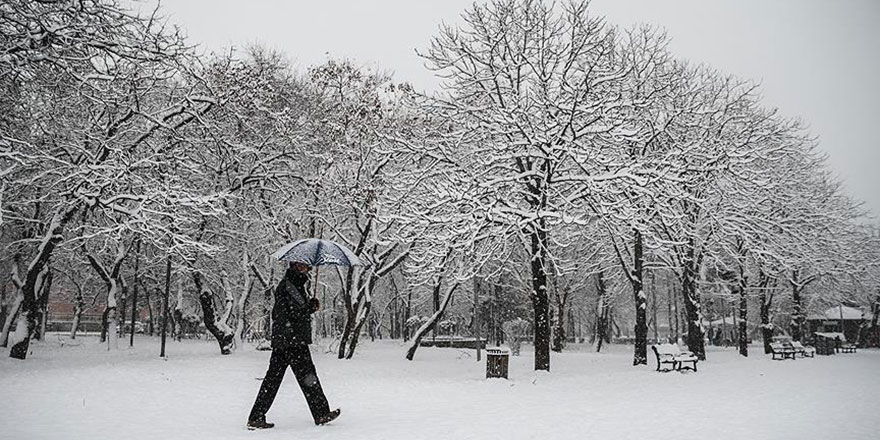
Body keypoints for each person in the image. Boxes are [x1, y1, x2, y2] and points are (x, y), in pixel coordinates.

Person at [246, 261, 340, 430]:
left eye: (307, 267)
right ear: (295, 266)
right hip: (292, 341)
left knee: (273, 380)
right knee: (308, 377)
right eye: (303, 266)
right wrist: (309, 308)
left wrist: (308, 307)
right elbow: (286, 313)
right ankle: (321, 414)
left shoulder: (295, 285)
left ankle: (256, 416)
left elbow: (293, 311)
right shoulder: (288, 286)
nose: (307, 269)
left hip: (287, 340)